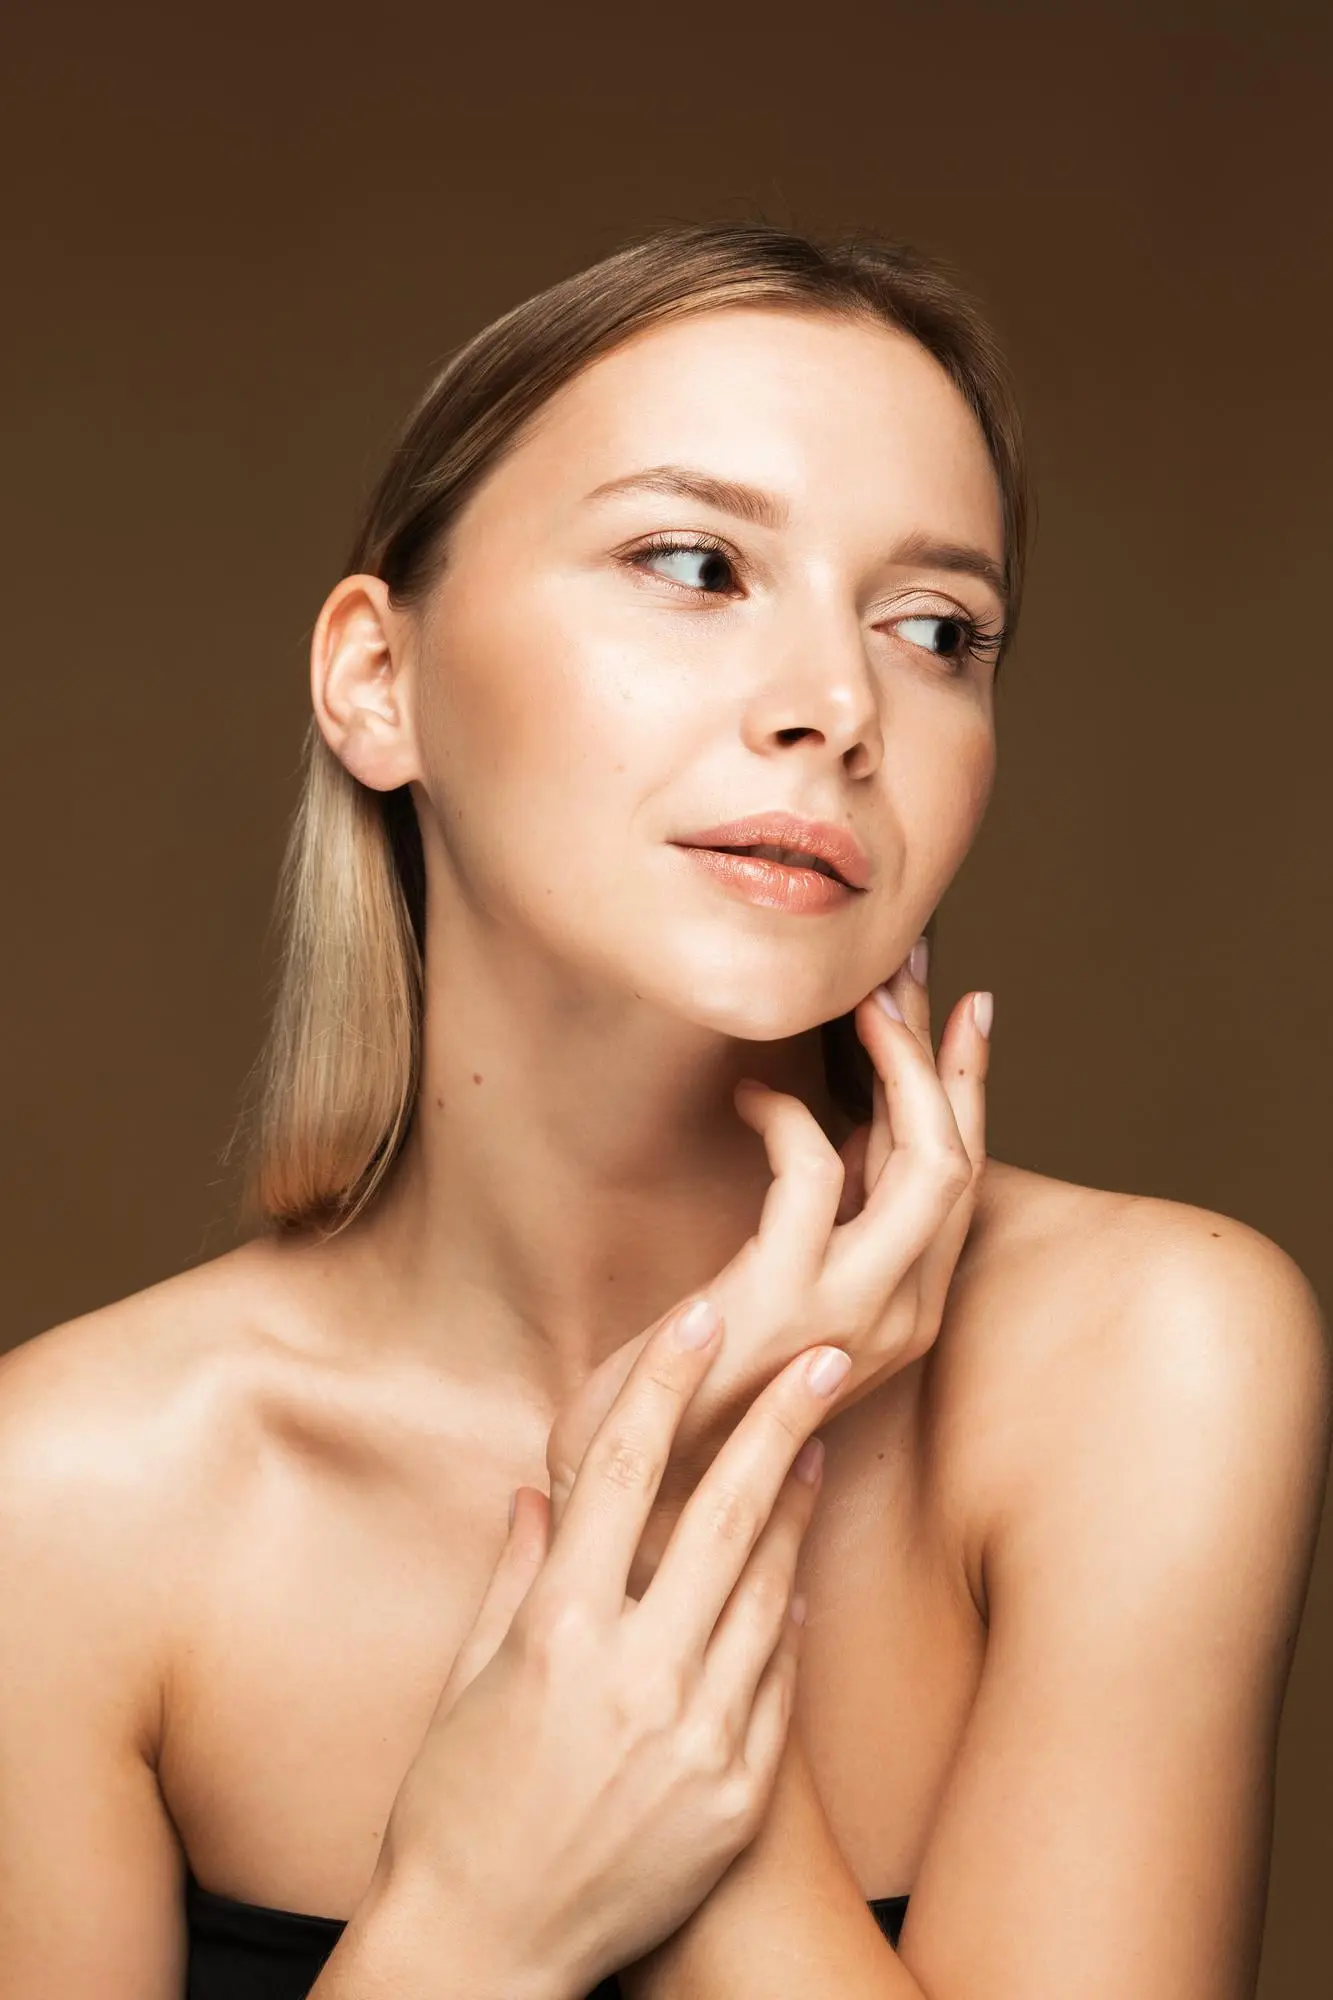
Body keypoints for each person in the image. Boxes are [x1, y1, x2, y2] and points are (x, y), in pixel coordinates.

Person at [0, 221, 1327, 2000]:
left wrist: (674, 1541)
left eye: (937, 629)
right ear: (379, 681)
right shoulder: (62, 1506)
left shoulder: (1145, 1359)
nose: (839, 707)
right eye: (696, 564)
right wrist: (467, 1921)